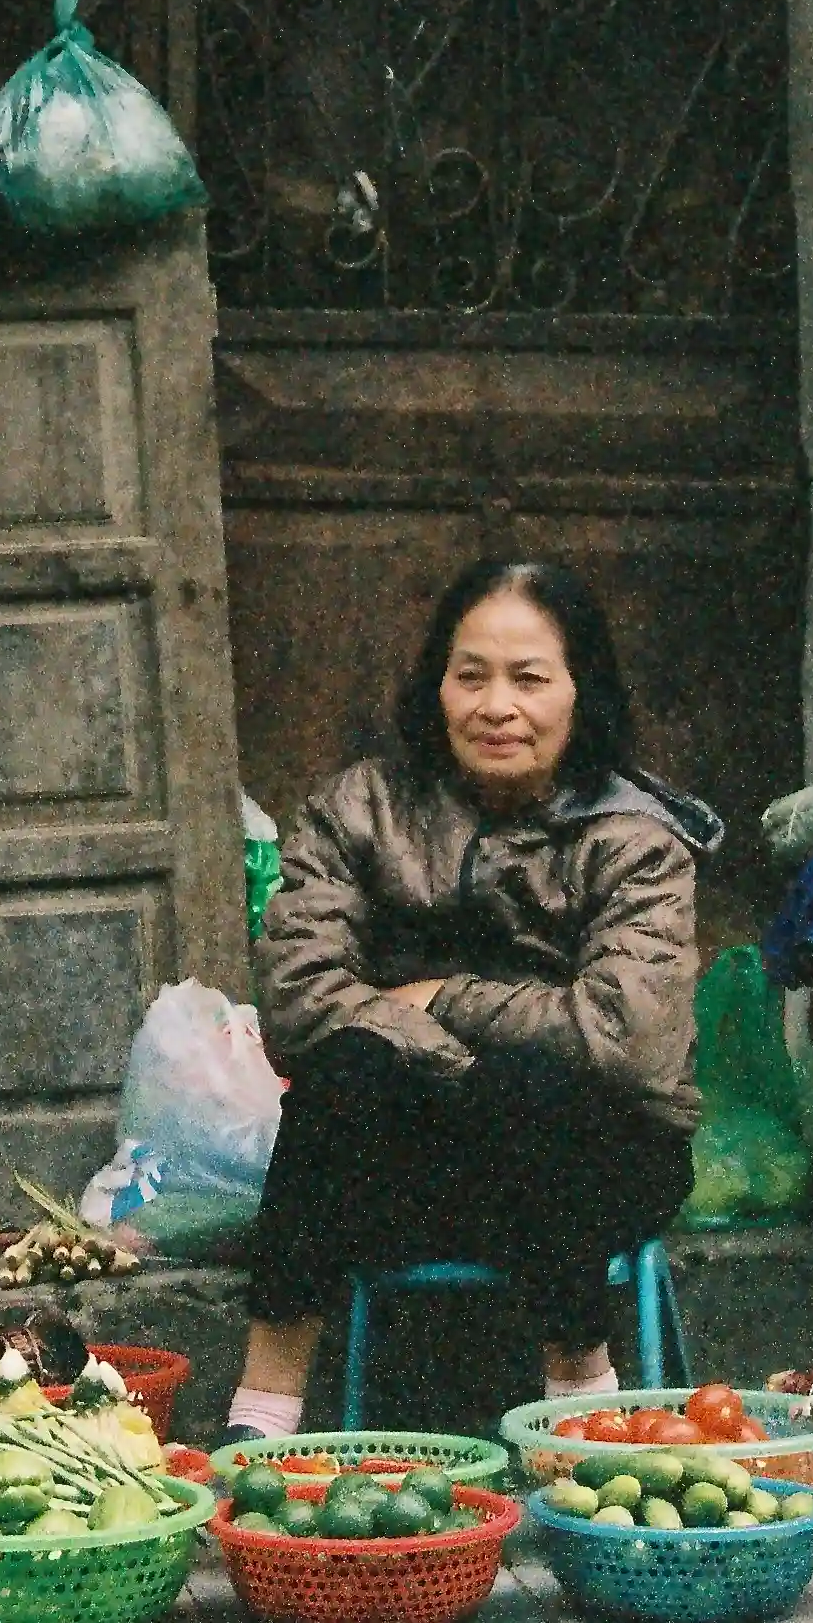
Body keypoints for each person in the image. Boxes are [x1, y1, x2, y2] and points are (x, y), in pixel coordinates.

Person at [223, 554, 716, 1444]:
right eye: (470, 675)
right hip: (407, 1157)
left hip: (598, 1158)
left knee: (531, 1091)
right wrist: (450, 1060)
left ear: (580, 691)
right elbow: (298, 996)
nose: (496, 706)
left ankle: (581, 1409)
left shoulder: (636, 839)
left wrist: (442, 998)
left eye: (530, 679)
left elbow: (627, 1035)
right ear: (436, 684)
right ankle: (261, 1422)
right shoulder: (359, 809)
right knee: (346, 1072)